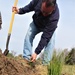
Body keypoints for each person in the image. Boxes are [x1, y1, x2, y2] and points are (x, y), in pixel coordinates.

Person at [12, 0, 59, 65]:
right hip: (36, 23)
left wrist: (36, 52)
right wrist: (20, 11)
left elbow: (45, 38)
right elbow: (29, 7)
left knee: (51, 41)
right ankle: (26, 58)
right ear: (42, 2)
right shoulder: (37, 1)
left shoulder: (54, 18)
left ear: (53, 9)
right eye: (43, 11)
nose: (44, 14)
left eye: (47, 13)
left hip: (47, 28)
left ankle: (45, 64)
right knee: (28, 36)